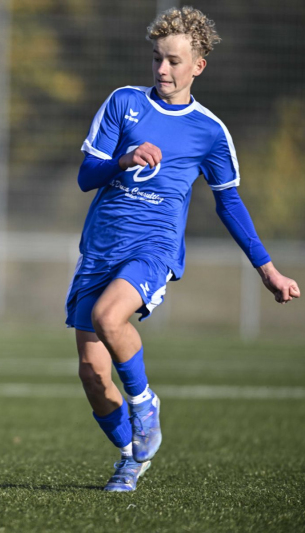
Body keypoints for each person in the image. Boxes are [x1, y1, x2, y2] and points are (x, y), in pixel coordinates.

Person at [66, 6, 299, 492]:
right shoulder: (123, 103)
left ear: (199, 65)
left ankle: (146, 402)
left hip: (153, 250)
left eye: (173, 61)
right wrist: (125, 158)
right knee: (91, 372)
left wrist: (268, 270)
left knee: (112, 318)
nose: (163, 70)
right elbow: (88, 176)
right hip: (101, 248)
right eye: (157, 59)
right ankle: (132, 457)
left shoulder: (210, 131)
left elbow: (229, 203)